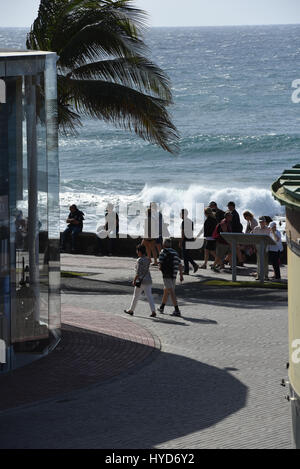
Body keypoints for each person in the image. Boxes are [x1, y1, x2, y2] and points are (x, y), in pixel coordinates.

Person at [124, 244, 156, 317]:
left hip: (140, 281)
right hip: (148, 280)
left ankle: (131, 310)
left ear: (140, 252)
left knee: (136, 296)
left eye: (137, 251)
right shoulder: (148, 259)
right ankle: (153, 311)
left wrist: (134, 280)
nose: (136, 252)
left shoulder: (139, 260)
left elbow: (138, 272)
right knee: (149, 296)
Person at [157, 238, 184, 317]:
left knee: (171, 291)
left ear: (163, 244)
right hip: (174, 274)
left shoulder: (162, 252)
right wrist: (181, 275)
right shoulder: (175, 252)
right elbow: (180, 264)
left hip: (167, 274)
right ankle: (162, 307)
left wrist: (161, 269)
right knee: (167, 290)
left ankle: (177, 310)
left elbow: (160, 264)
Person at [180, 209, 199, 275]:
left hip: (186, 240)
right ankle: (193, 265)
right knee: (186, 255)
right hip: (190, 239)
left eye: (181, 214)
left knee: (185, 256)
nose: (180, 215)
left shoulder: (184, 222)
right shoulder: (191, 221)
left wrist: (181, 241)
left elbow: (183, 233)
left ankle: (187, 270)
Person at [252, 216, 270, 280]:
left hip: (265, 247)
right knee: (258, 261)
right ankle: (259, 275)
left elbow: (269, 239)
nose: (261, 223)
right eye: (260, 222)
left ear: (265, 222)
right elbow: (253, 238)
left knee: (265, 262)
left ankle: (266, 276)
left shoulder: (268, 229)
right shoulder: (256, 228)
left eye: (263, 222)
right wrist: (254, 247)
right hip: (258, 247)